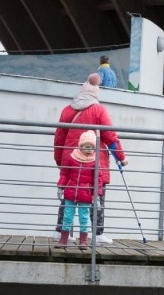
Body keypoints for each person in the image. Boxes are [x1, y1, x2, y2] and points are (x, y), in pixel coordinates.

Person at [52, 73, 127, 245]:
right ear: (95, 94)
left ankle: (60, 232)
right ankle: (97, 233)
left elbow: (58, 139)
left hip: (70, 160)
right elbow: (110, 136)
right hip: (93, 162)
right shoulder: (99, 110)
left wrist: (59, 161)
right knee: (96, 195)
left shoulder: (67, 110)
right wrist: (121, 158)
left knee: (68, 196)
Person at [56, 131, 98, 247]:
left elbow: (97, 180)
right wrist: (60, 187)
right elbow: (64, 174)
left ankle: (83, 241)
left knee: (84, 217)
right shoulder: (72, 158)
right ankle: (63, 240)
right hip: (70, 192)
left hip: (85, 194)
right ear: (81, 146)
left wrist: (97, 195)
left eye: (92, 147)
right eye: (87, 147)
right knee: (67, 216)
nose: (90, 150)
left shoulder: (95, 162)